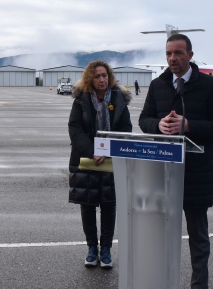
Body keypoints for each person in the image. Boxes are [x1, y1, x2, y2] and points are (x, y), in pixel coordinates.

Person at [138, 34, 213, 289]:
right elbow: (143, 120)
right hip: (163, 174)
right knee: (161, 237)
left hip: (196, 175)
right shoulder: (158, 85)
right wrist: (159, 124)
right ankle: (161, 282)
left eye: (178, 53)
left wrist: (188, 125)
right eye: (169, 53)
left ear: (190, 55)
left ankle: (199, 285)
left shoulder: (210, 86)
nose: (172, 58)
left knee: (198, 238)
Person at [68, 60, 132, 269]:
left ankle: (105, 250)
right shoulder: (81, 100)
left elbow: (126, 129)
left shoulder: (119, 100)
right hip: (86, 159)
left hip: (110, 160)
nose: (102, 79)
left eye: (105, 75)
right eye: (97, 76)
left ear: (109, 76)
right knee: (87, 206)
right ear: (90, 79)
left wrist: (107, 150)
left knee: (108, 205)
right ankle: (91, 248)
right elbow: (75, 128)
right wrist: (93, 150)